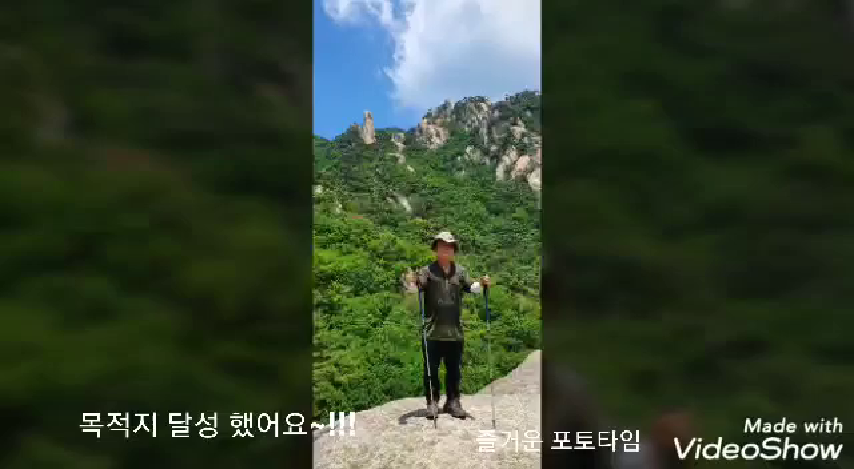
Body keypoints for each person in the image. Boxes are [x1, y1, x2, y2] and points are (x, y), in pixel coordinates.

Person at [405, 231, 491, 419]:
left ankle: (453, 402)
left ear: (454, 250)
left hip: (454, 331)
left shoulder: (460, 272)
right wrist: (410, 281)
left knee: (454, 370)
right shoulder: (427, 271)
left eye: (449, 247)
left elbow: (471, 288)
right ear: (436, 249)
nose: (445, 250)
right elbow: (415, 288)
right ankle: (432, 402)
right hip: (432, 331)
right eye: (442, 246)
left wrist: (482, 284)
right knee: (431, 370)